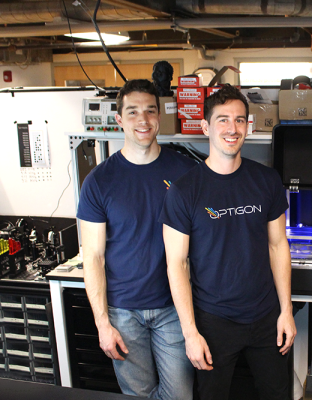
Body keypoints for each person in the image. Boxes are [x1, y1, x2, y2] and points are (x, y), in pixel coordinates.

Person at [160, 84, 296, 400]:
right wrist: (190, 333)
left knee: (277, 394)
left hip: (266, 318)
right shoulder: (184, 191)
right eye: (222, 120)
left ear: (247, 126)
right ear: (206, 126)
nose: (231, 129)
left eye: (238, 120)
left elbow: (278, 245)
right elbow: (176, 265)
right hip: (213, 321)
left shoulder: (266, 180)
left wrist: (286, 310)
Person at [77, 79, 196, 399]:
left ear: (159, 116)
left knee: (180, 395)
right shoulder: (99, 181)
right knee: (138, 395)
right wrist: (103, 324)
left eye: (149, 111)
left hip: (173, 308)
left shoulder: (185, 172)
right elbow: (93, 257)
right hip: (122, 311)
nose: (142, 120)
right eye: (132, 112)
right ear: (119, 119)